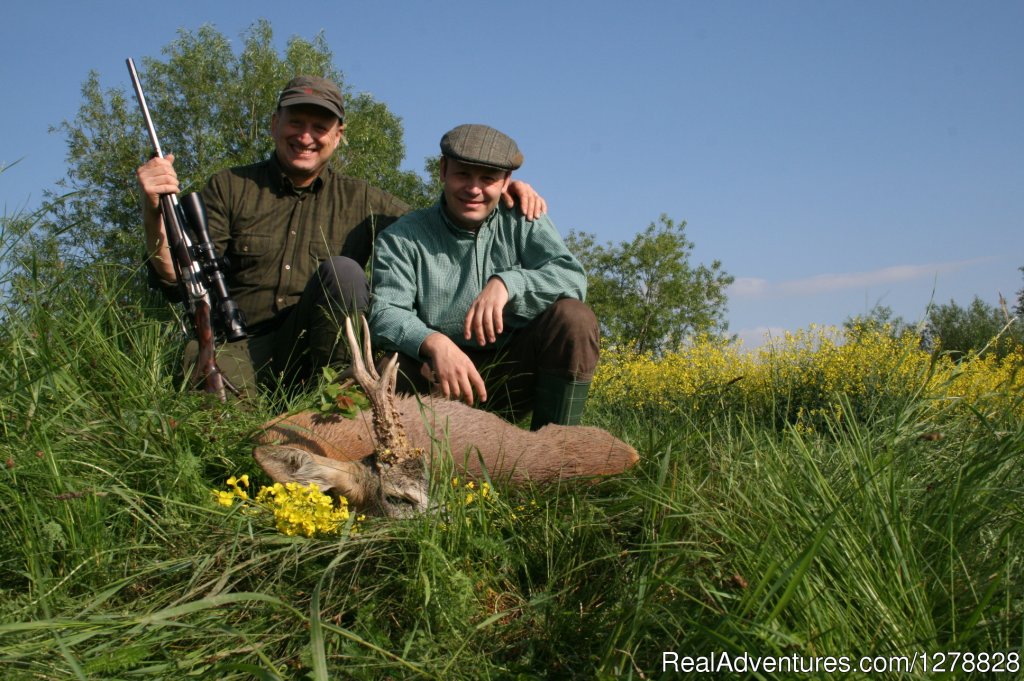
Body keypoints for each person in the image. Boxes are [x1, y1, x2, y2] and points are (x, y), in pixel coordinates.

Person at [137, 76, 545, 395]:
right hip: (241, 346)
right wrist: (153, 210)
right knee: (219, 426)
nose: (306, 136)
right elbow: (176, 279)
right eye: (296, 121)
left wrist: (493, 194)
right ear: (275, 123)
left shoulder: (365, 200)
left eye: (320, 126)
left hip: (323, 354)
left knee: (344, 272)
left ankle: (339, 401)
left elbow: (438, 225)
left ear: (338, 134)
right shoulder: (229, 187)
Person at [369, 124, 599, 430]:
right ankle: (402, 451)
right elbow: (385, 313)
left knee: (574, 318)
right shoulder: (403, 237)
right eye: (463, 174)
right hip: (436, 378)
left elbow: (572, 277)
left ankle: (558, 452)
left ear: (506, 182)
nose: (474, 189)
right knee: (394, 364)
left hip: (511, 376)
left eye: (488, 178)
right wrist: (433, 342)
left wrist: (509, 283)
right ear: (443, 171)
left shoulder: (522, 218)